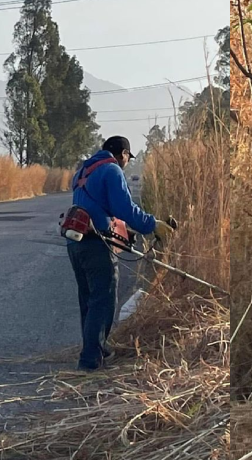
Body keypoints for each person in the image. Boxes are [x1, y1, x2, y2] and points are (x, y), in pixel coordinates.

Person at [66, 136, 174, 372]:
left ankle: (97, 348)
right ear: (122, 153)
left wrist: (128, 230)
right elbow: (124, 208)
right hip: (96, 244)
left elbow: (99, 208)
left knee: (88, 298)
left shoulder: (83, 170)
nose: (127, 161)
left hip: (75, 242)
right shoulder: (112, 170)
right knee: (103, 299)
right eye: (127, 156)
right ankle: (90, 359)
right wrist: (151, 224)